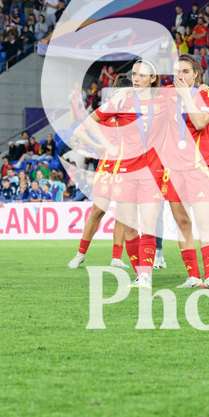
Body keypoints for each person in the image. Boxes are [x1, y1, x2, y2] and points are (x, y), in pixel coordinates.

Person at [85, 61, 163, 288]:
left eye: (142, 75)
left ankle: (146, 275)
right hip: (126, 171)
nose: (136, 78)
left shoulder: (163, 103)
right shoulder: (121, 101)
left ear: (153, 79)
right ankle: (142, 274)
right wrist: (105, 145)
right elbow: (90, 121)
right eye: (134, 74)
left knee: (147, 223)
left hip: (152, 171)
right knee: (129, 226)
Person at [152, 55, 209, 289]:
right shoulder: (167, 94)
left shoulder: (206, 94)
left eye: (185, 71)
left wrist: (185, 96)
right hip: (172, 169)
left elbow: (201, 122)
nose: (180, 75)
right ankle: (193, 276)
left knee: (204, 222)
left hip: (198, 166)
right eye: (176, 71)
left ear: (195, 74)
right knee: (182, 223)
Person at [67, 74, 135, 271]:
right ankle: (80, 254)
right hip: (106, 166)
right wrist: (97, 145)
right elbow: (79, 131)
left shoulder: (132, 113)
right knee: (97, 211)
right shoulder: (105, 112)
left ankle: (116, 257)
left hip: (127, 166)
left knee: (123, 213)